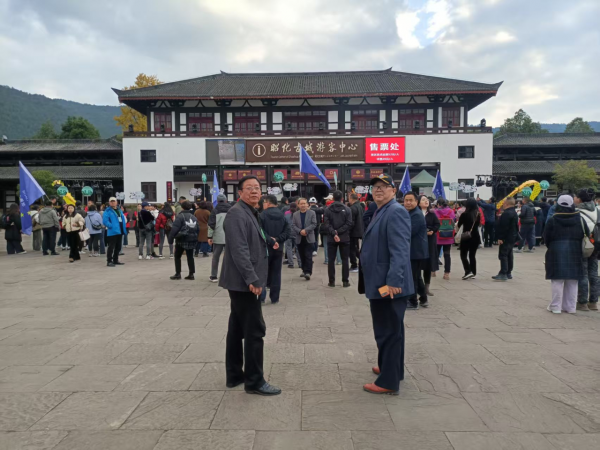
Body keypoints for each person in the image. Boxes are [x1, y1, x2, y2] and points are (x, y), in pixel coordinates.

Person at [220, 175, 281, 396]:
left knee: (237, 329)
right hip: (243, 282)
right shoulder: (236, 213)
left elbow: (254, 238)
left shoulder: (250, 211)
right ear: (240, 193)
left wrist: (269, 240)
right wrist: (252, 279)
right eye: (249, 188)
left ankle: (235, 375)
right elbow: (239, 249)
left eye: (257, 187)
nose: (255, 191)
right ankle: (255, 381)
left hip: (242, 281)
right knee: (255, 330)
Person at [360, 175, 413, 395]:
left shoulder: (396, 211)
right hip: (380, 282)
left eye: (384, 186)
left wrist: (393, 281)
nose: (378, 190)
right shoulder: (382, 210)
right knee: (390, 329)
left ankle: (388, 382)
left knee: (388, 332)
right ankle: (390, 368)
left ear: (393, 190)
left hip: (389, 285)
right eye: (375, 187)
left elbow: (400, 250)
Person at [544, 195, 584, 314]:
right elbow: (584, 234)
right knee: (572, 280)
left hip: (556, 250)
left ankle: (556, 306)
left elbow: (546, 237)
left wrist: (552, 246)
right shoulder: (579, 218)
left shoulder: (553, 219)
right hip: (575, 250)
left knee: (557, 279)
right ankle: (570, 307)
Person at [259, 195, 290, 304]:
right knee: (276, 273)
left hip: (265, 248)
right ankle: (275, 297)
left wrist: (271, 241)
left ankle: (261, 297)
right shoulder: (282, 215)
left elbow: (260, 231)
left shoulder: (262, 215)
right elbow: (288, 232)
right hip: (279, 248)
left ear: (267, 203)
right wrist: (277, 240)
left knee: (263, 272)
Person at [574, 188, 599, 311]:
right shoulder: (598, 210)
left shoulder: (577, 212)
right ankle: (593, 302)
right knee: (593, 273)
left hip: (582, 246)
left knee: (582, 273)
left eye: (575, 196)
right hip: (596, 245)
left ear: (579, 199)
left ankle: (582, 302)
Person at [403, 192, 429, 309]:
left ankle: (413, 301)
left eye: (411, 200)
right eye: (406, 200)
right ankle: (423, 298)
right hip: (415, 250)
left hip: (415, 251)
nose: (408, 202)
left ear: (416, 202)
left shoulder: (416, 215)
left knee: (412, 276)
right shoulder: (411, 213)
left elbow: (409, 232)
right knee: (417, 276)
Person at [322, 190, 353, 288]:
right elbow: (349, 223)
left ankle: (331, 281)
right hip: (344, 237)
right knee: (345, 260)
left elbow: (326, 224)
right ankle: (345, 281)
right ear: (342, 199)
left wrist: (334, 232)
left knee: (331, 260)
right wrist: (339, 232)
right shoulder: (347, 209)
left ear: (333, 198)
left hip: (331, 237)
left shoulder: (327, 209)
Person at [168, 201, 198, 280]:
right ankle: (191, 274)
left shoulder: (180, 216)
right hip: (192, 239)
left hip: (181, 239)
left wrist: (170, 239)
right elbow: (197, 228)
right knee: (190, 256)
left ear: (182, 207)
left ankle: (178, 273)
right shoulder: (193, 217)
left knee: (177, 256)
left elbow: (175, 229)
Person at [492, 197, 519, 281]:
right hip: (512, 236)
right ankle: (508, 272)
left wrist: (500, 237)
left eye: (503, 203)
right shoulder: (514, 212)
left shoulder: (506, 213)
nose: (502, 204)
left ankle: (503, 273)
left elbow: (504, 227)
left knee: (503, 255)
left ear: (506, 204)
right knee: (509, 254)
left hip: (506, 237)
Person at [292, 197, 318, 281]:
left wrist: (306, 230)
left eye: (304, 203)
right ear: (298, 205)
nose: (303, 205)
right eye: (301, 204)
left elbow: (314, 224)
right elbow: (293, 225)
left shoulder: (312, 213)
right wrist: (300, 231)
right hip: (299, 237)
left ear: (307, 204)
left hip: (309, 237)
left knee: (308, 255)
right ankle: (304, 270)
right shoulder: (295, 214)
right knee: (301, 255)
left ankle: (308, 272)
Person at [207, 194, 231, 282]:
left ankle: (214, 276)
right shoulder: (232, 209)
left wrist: (209, 236)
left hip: (218, 237)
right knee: (229, 257)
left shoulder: (215, 210)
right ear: (226, 200)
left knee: (216, 257)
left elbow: (211, 225)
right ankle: (228, 276)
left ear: (217, 201)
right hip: (230, 237)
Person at [419, 196, 440, 296]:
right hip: (418, 242)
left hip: (430, 241)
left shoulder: (431, 214)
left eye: (427, 200)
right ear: (418, 202)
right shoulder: (416, 214)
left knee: (428, 265)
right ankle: (418, 287)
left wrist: (432, 230)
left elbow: (437, 224)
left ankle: (426, 287)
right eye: (423, 200)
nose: (426, 201)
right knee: (417, 266)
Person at [456, 198, 481, 280]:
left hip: (466, 237)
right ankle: (473, 272)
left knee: (463, 255)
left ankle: (468, 271)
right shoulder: (478, 214)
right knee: (472, 255)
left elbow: (459, 225)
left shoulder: (464, 214)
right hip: (475, 237)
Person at [102, 197, 127, 266]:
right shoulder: (107, 211)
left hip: (120, 230)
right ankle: (109, 261)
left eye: (114, 201)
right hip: (112, 231)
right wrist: (111, 226)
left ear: (116, 202)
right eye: (111, 201)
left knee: (118, 247)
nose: (113, 203)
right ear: (109, 203)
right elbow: (105, 221)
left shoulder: (119, 210)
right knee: (111, 247)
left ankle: (115, 260)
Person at [434, 199, 455, 280]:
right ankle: (447, 273)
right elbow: (454, 221)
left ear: (438, 204)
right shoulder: (451, 211)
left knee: (436, 254)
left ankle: (433, 271)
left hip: (438, 235)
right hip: (448, 235)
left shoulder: (435, 212)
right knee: (447, 255)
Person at [348, 193, 364, 273]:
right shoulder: (360, 206)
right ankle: (362, 260)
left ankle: (354, 265)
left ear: (351, 199)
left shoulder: (353, 208)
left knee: (352, 249)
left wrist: (348, 230)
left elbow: (351, 222)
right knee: (355, 248)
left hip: (353, 232)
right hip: (359, 230)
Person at [284, 202, 297, 268]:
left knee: (288, 248)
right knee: (297, 248)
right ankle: (300, 263)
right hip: (297, 233)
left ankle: (291, 263)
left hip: (288, 234)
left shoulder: (286, 215)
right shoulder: (298, 215)